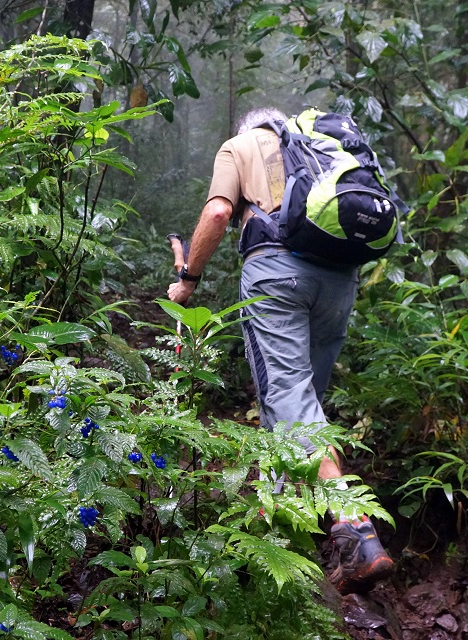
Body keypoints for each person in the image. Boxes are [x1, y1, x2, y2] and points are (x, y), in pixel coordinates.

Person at [166, 107, 394, 595]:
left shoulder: (240, 145)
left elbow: (219, 212)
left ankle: (355, 528)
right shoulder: (316, 153)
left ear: (251, 127)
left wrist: (188, 281)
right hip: (339, 281)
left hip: (276, 273)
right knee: (301, 405)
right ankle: (281, 533)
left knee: (289, 399)